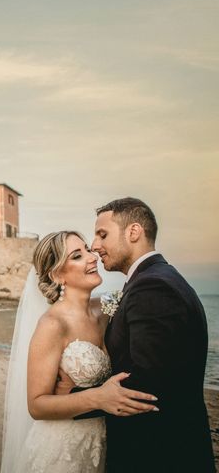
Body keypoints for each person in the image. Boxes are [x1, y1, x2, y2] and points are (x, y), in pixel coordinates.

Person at [60, 198, 215, 472]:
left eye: (102, 234)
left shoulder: (152, 287)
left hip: (157, 454)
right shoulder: (157, 279)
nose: (95, 247)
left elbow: (148, 383)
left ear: (133, 232)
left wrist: (72, 395)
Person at [1, 230, 157, 473]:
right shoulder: (52, 325)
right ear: (57, 274)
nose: (91, 256)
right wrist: (97, 397)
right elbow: (36, 406)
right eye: (77, 256)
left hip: (102, 441)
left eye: (86, 249)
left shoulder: (107, 308)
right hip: (63, 448)